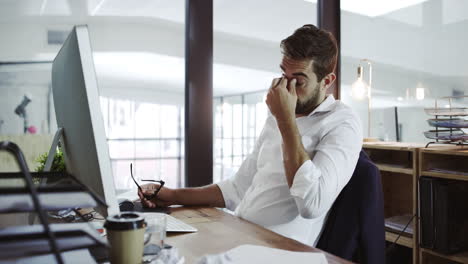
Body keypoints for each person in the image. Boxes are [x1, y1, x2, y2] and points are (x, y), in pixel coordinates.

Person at [138, 24, 362, 246]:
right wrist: (173, 195)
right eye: (284, 74)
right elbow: (238, 187)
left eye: (299, 80)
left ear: (327, 81)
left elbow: (312, 204)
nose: (287, 87)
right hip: (240, 232)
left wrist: (285, 119)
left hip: (279, 250)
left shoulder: (342, 123)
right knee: (155, 246)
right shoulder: (278, 116)